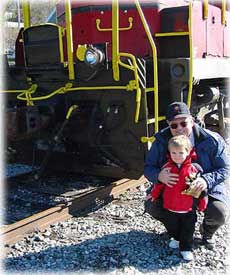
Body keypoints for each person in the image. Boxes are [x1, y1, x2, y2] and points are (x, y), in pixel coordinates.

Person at [144, 101, 230, 250]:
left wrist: (206, 180)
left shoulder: (212, 140)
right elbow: (148, 167)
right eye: (174, 125)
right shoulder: (161, 140)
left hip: (204, 188)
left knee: (219, 212)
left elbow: (225, 168)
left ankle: (207, 232)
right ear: (168, 124)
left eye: (184, 123)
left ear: (192, 120)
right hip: (173, 188)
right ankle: (175, 231)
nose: (180, 129)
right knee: (151, 206)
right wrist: (159, 176)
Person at [150, 134, 208, 261]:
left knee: (188, 230)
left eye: (181, 153)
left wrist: (202, 204)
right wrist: (153, 195)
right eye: (173, 153)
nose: (177, 156)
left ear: (188, 152)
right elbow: (159, 185)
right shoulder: (166, 168)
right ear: (169, 153)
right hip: (170, 207)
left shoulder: (194, 169)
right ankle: (176, 238)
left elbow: (201, 190)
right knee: (172, 227)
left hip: (188, 209)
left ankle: (186, 248)